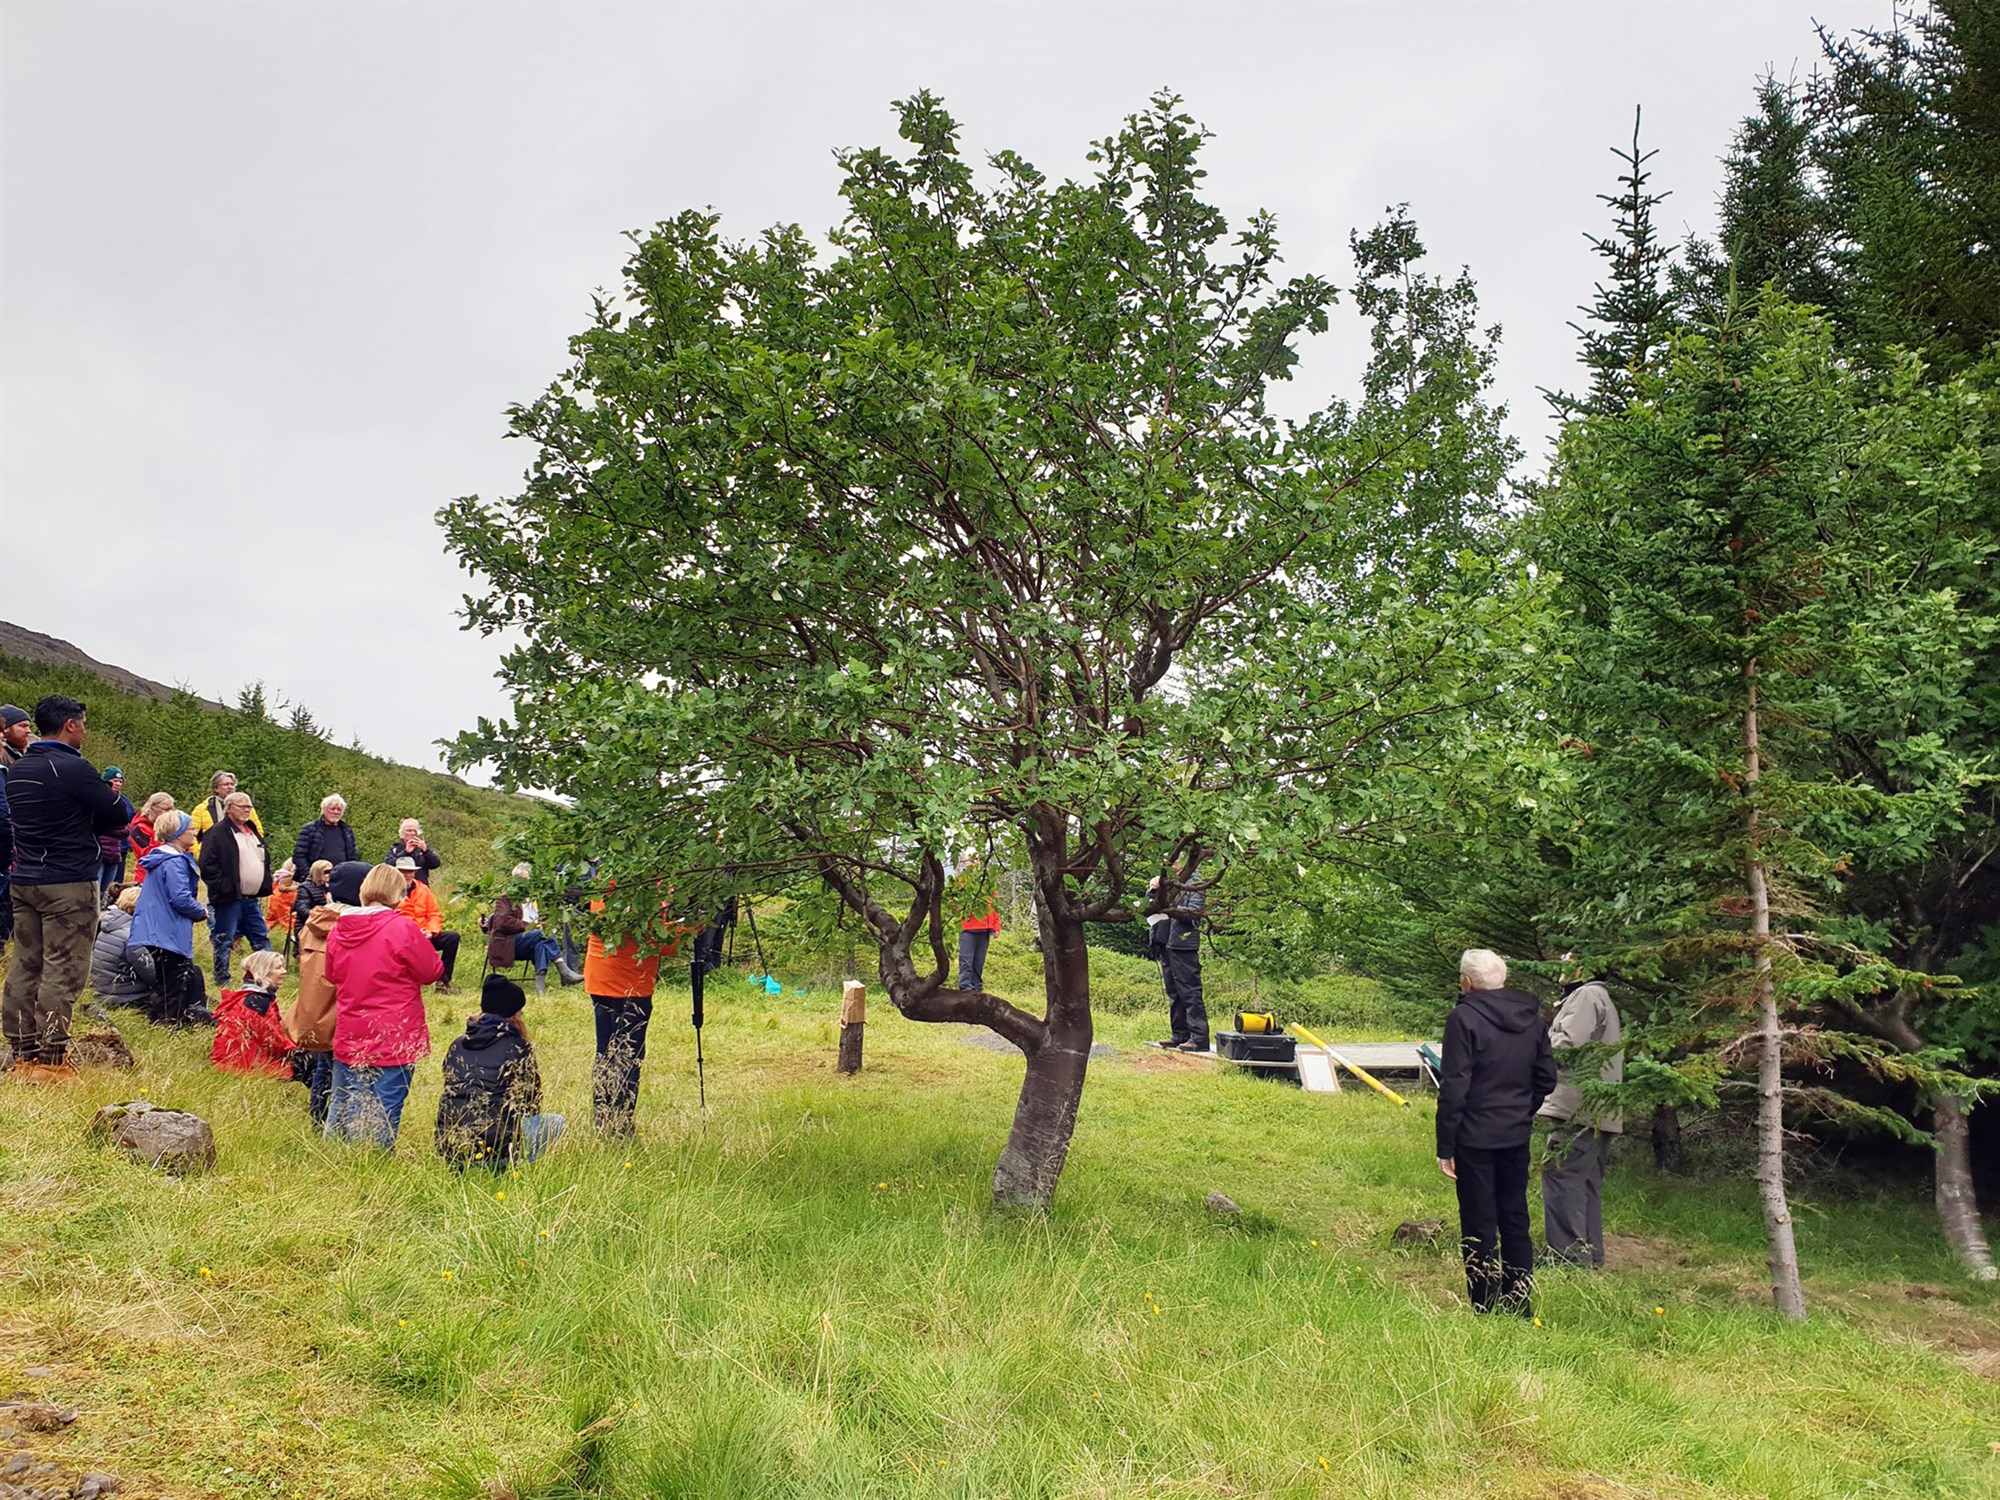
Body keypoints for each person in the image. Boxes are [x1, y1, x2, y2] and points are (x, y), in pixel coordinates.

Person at [2, 695, 134, 1078]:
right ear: (71, 725)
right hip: (67, 881)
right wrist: (91, 814)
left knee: (25, 964)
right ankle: (51, 1059)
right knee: (65, 968)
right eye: (84, 724)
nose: (85, 731)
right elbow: (118, 813)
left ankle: (22, 1050)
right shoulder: (71, 769)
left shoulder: (20, 768)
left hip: (25, 879)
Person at [1437, 948, 1558, 1317]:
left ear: (1466, 982)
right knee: (1515, 1216)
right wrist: (1524, 1110)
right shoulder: (1532, 1019)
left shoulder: (1463, 1018)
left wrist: (1446, 1145)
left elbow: (1455, 1085)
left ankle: (1485, 1304)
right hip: (1515, 1134)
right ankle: (1519, 1300)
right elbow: (1546, 1078)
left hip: (1474, 1136)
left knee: (1479, 1219)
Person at [323, 863, 442, 1148]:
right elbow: (431, 971)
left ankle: (335, 1160)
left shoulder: (340, 929)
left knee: (343, 1098)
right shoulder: (402, 928)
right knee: (385, 1103)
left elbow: (331, 974)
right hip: (394, 1030)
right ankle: (373, 1163)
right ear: (398, 894)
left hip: (352, 1026)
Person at [1537, 960, 1625, 1268]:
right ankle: (1590, 1256)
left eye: (1569, 960)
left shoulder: (1586, 997)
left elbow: (1566, 1047)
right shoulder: (1598, 997)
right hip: (1598, 1110)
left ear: (1586, 968)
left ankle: (1567, 1258)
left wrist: (1532, 1044)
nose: (1561, 963)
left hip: (1579, 1110)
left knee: (1561, 1175)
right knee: (1585, 1181)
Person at [435, 974, 564, 1168]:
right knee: (555, 1121)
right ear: (512, 1014)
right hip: (497, 1148)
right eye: (519, 1010)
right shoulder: (517, 1047)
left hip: (453, 1145)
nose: (521, 1014)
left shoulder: (458, 1044)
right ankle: (519, 1166)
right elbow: (530, 1103)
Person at [583, 888, 678, 1135]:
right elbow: (657, 940)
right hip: (631, 984)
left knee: (605, 1051)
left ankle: (603, 1115)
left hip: (601, 977)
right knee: (629, 1054)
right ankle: (621, 1122)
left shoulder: (604, 884)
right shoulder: (647, 888)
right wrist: (688, 931)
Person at [288, 860, 364, 1129]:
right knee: (347, 1069)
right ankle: (342, 1123)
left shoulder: (313, 922)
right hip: (344, 1006)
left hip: (315, 1006)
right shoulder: (353, 929)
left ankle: (317, 1117)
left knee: (324, 1063)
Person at [129, 809, 211, 1026]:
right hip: (167, 931)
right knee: (177, 978)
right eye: (190, 828)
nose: (194, 832)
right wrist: (202, 911)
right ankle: (170, 1023)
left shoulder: (162, 858)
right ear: (177, 833)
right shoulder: (173, 862)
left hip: (154, 929)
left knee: (165, 978)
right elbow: (181, 899)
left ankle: (158, 1020)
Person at [198, 791, 274, 986]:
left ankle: (266, 977)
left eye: (249, 806)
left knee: (260, 938)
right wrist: (225, 887)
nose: (248, 809)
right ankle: (222, 979)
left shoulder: (251, 830)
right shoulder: (217, 833)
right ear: (229, 808)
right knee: (224, 939)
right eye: (243, 806)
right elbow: (207, 865)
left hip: (251, 898)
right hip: (228, 898)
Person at [484, 864, 581, 992]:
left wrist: (543, 923)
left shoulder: (533, 898)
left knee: (541, 944)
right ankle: (563, 969)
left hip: (529, 941)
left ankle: (540, 988)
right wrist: (529, 927)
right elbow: (503, 922)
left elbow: (540, 918)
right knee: (543, 933)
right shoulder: (505, 898)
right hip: (509, 942)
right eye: (525, 879)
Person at [1147, 869, 1209, 1052]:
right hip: (1165, 941)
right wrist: (1152, 889)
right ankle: (1179, 1034)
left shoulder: (1195, 882)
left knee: (1189, 991)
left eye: (1172, 860)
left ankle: (1199, 1037)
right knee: (1173, 991)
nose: (1169, 864)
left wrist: (1169, 909)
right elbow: (1150, 904)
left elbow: (1195, 913)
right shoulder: (1167, 882)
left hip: (1183, 943)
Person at [211, 949, 296, 1077]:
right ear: (264, 972)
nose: (284, 971)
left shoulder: (251, 996)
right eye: (278, 968)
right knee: (311, 1062)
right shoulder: (257, 1001)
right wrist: (299, 1050)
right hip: (240, 1065)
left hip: (230, 1061)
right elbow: (273, 1042)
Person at [392, 856, 459, 991]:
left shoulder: (423, 889)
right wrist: (414, 932)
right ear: (396, 873)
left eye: (410, 871)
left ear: (415, 872)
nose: (407, 875)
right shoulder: (390, 892)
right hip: (402, 937)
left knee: (452, 937)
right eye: (403, 871)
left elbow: (434, 914)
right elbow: (390, 918)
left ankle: (443, 982)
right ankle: (401, 982)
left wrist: (431, 932)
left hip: (426, 934)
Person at [91, 884, 156, 1013]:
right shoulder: (133, 936)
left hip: (103, 992)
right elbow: (153, 976)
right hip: (127, 997)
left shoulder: (107, 926)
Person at [954, 865, 1000, 993]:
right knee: (966, 961)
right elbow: (956, 904)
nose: (974, 862)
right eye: (970, 859)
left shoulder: (986, 882)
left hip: (985, 929)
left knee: (979, 962)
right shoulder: (961, 881)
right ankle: (965, 989)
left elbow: (994, 906)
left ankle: (977, 989)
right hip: (968, 927)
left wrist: (995, 926)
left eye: (976, 859)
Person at [293, 794, 359, 875]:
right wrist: (310, 876)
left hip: (341, 878)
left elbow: (353, 857)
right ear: (324, 809)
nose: (336, 812)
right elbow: (298, 857)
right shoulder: (310, 829)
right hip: (315, 880)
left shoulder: (347, 831)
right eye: (332, 808)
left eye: (339, 809)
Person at [189, 771, 264, 838]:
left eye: (232, 784)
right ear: (216, 788)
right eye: (226, 784)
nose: (230, 787)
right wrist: (200, 852)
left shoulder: (246, 808)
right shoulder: (202, 809)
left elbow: (258, 832)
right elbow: (190, 833)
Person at [95, 766, 129, 899]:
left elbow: (128, 827)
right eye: (114, 780)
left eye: (120, 782)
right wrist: (115, 827)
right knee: (95, 890)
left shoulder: (124, 802)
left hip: (116, 852)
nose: (118, 784)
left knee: (109, 891)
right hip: (100, 851)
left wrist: (112, 827)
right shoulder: (98, 799)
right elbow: (98, 824)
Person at [127, 793, 175, 884]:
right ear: (153, 808)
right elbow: (149, 856)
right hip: (147, 878)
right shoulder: (140, 828)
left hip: (167, 875)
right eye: (167, 809)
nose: (170, 813)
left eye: (172, 809)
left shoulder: (169, 827)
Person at [385, 819, 441, 886]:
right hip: (399, 887)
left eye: (415, 831)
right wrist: (406, 852)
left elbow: (435, 864)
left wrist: (426, 851)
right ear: (402, 833)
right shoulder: (396, 848)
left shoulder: (423, 847)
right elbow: (389, 865)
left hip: (421, 888)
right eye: (409, 830)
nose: (412, 833)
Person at [266, 862, 300, 951]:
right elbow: (285, 917)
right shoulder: (287, 882)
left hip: (277, 915)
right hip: (284, 915)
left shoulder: (279, 881)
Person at [0, 704, 31, 769]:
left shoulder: (33, 749)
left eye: (28, 727)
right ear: (6, 728)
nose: (28, 731)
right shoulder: (2, 754)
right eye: (23, 726)